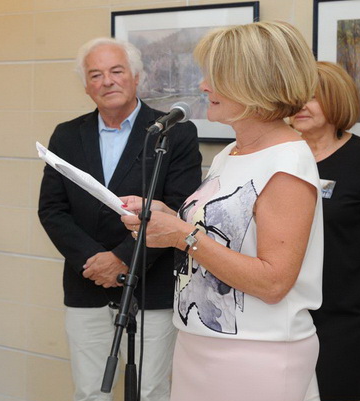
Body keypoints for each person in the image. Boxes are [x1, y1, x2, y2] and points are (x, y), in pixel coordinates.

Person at [121, 21, 323, 401]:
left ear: (255, 83)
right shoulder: (233, 153)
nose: (202, 85)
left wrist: (182, 236)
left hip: (256, 353)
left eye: (216, 76)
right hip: (202, 343)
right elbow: (221, 232)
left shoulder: (286, 163)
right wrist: (163, 215)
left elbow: (274, 282)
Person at [38, 37, 202, 401]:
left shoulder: (174, 133)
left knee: (150, 391)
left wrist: (122, 259)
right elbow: (52, 209)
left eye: (116, 71)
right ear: (86, 86)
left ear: (137, 76)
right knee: (89, 390)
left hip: (151, 285)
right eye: (95, 75)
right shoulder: (67, 134)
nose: (106, 81)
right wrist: (95, 261)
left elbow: (179, 208)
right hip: (87, 283)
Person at [291, 61, 360, 401]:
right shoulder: (284, 157)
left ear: (337, 100)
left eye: (311, 97)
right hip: (288, 311)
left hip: (348, 317)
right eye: (294, 97)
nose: (300, 106)